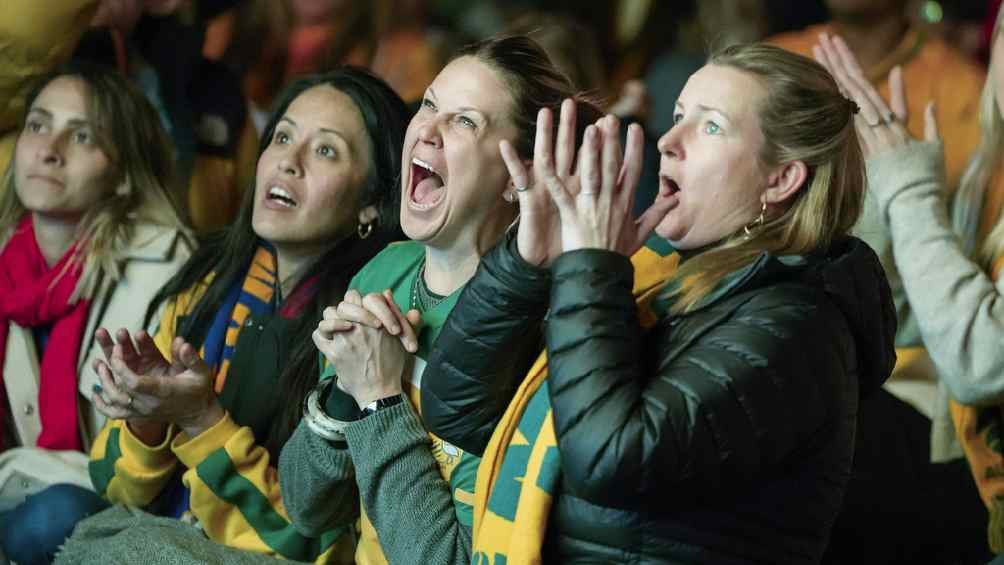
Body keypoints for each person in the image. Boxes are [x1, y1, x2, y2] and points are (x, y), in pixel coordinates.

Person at [418, 42, 898, 564]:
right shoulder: (659, 279)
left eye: (710, 126)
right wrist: (525, 267)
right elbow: (459, 410)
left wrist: (591, 268)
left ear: (780, 179)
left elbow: (610, 459)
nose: (668, 142)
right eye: (677, 117)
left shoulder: (797, 328)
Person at [54, 68, 408, 564]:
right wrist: (147, 419)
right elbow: (112, 483)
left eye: (325, 150)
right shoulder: (209, 283)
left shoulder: (361, 332)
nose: (288, 162)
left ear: (370, 204)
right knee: (53, 514)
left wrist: (201, 420)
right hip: (174, 531)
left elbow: (313, 544)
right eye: (282, 137)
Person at [276, 35, 603, 564]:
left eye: (465, 121)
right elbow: (308, 508)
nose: (426, 129)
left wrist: (380, 400)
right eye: (429, 104)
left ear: (516, 176)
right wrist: (342, 396)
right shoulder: (385, 270)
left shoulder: (532, 330)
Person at [815, 26, 1004, 560]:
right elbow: (928, 324)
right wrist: (884, 201)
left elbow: (981, 361)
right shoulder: (990, 172)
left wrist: (911, 193)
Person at [0, 62, 190, 565]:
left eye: (81, 136)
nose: (49, 149)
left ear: (123, 174)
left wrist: (13, 470)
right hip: (21, 489)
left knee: (47, 520)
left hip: (125, 501)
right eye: (37, 125)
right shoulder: (6, 262)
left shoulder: (164, 268)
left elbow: (145, 468)